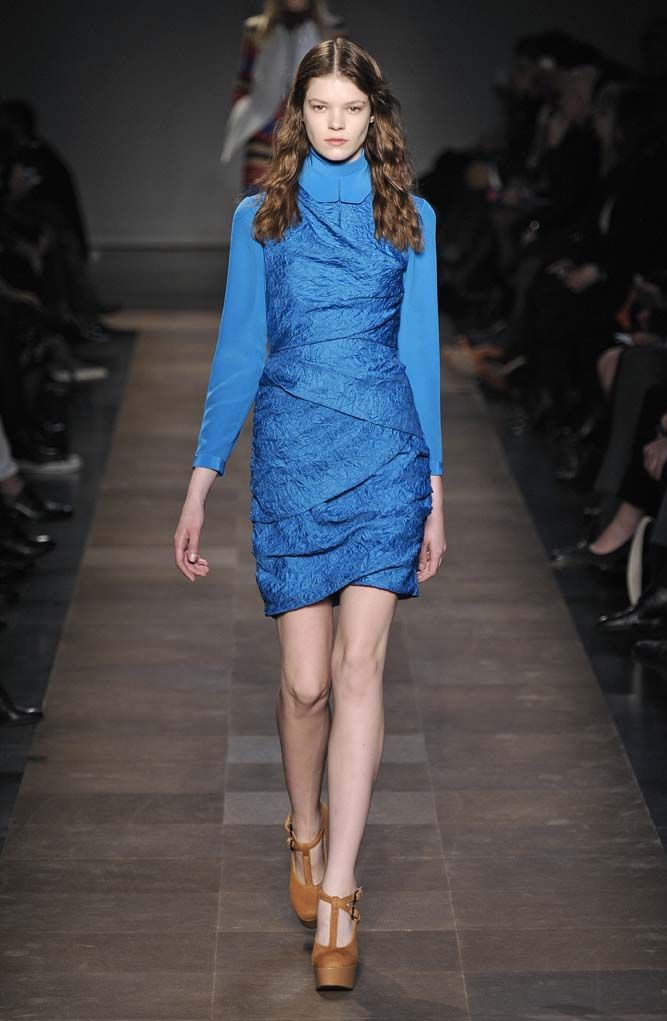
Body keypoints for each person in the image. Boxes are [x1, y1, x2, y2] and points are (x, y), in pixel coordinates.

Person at [175, 37, 446, 990]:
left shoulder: (411, 215)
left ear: (376, 115)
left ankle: (340, 894)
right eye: (321, 107)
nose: (336, 124)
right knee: (304, 686)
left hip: (385, 457)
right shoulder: (262, 215)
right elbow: (238, 349)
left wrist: (435, 490)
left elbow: (420, 354)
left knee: (359, 667)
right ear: (297, 112)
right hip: (292, 455)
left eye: (352, 109)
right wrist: (203, 476)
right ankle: (306, 825)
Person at [219, 0, 345, 193]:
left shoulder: (331, 31)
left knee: (306, 194)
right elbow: (244, 80)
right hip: (263, 126)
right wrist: (246, 112)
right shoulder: (257, 31)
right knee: (258, 196)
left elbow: (341, 82)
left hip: (309, 129)